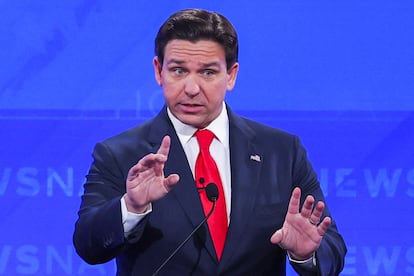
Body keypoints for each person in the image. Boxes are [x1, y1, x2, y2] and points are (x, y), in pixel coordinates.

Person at [73, 8, 346, 275]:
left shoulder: (281, 152)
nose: (191, 88)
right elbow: (88, 245)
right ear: (159, 71)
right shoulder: (120, 153)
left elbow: (332, 250)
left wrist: (306, 255)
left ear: (231, 75)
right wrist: (131, 208)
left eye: (207, 72)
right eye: (179, 71)